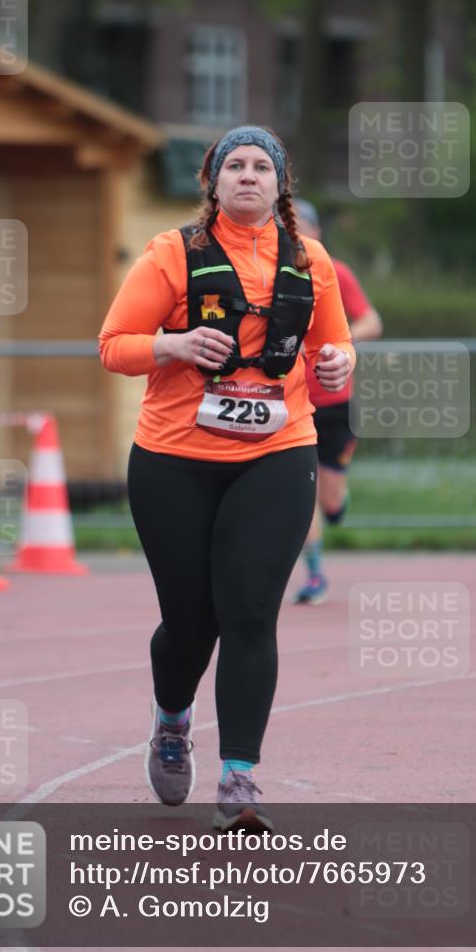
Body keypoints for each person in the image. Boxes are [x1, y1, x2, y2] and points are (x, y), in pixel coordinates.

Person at [99, 127, 355, 831]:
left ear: (280, 183)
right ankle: (172, 721)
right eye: (233, 166)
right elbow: (113, 347)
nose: (247, 176)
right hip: (175, 458)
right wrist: (174, 344)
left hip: (277, 453)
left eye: (260, 166)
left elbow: (335, 347)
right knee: (191, 621)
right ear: (212, 183)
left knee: (248, 611)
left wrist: (337, 367)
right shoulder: (169, 255)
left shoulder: (311, 260)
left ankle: (239, 774)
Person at [292, 199, 382, 605]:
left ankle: (338, 504)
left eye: (300, 227)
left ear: (317, 232)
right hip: (290, 403)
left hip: (333, 403)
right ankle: (314, 576)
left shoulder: (335, 271)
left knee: (328, 499)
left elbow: (371, 321)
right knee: (302, 490)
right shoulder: (269, 274)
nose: (294, 235)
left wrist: (338, 344)